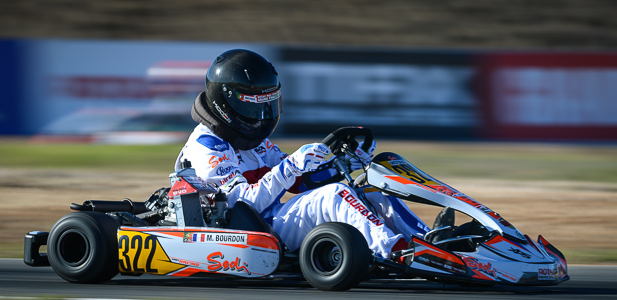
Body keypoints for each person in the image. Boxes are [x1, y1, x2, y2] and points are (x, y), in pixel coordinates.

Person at [175, 49, 429, 259]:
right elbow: (241, 205)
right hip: (243, 231)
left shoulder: (250, 140)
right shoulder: (208, 146)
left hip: (271, 221)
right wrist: (290, 168)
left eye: (268, 105)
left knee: (370, 190)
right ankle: (397, 252)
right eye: (253, 107)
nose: (262, 116)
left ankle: (431, 242)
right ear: (226, 103)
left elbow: (301, 182)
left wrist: (347, 163)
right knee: (335, 196)